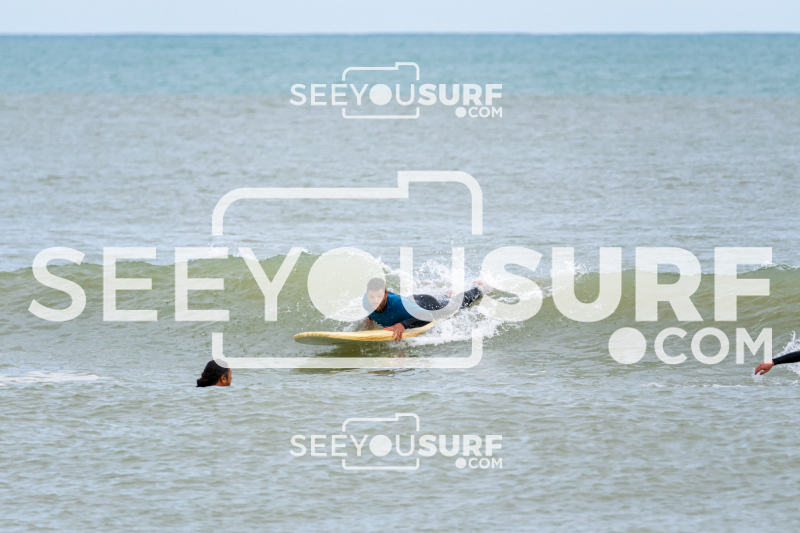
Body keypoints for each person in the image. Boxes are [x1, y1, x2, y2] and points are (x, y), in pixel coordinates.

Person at [362, 277, 484, 341]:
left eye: (379, 296)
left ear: (386, 294)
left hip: (428, 305)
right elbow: (371, 313)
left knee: (455, 306)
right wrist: (367, 328)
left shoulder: (398, 305)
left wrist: (403, 325)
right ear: (367, 295)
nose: (375, 301)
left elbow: (428, 316)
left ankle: (477, 288)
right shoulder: (366, 301)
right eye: (372, 297)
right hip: (412, 301)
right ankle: (446, 294)